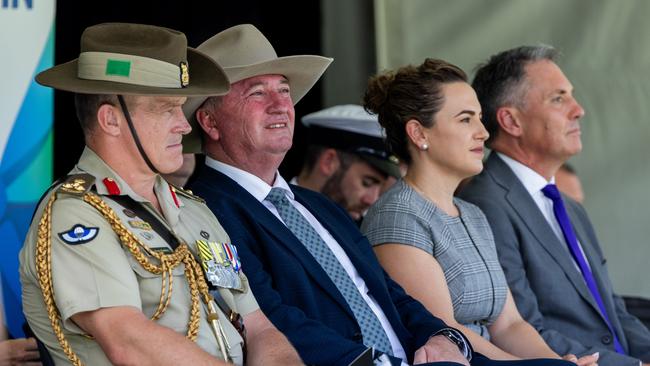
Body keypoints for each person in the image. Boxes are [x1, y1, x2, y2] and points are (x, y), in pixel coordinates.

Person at [184, 23, 575, 366]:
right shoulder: (206, 209)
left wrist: (444, 337)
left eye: (284, 90)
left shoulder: (318, 206)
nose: (280, 106)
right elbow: (268, 316)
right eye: (256, 94)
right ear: (209, 121)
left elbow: (392, 296)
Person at [19, 23, 301, 365]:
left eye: (180, 107)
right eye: (166, 108)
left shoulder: (193, 210)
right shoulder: (75, 213)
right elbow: (129, 342)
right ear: (111, 120)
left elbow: (258, 327)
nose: (183, 124)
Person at [361, 58, 595, 365]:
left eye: (480, 118)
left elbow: (510, 324)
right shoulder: (397, 216)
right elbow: (445, 332)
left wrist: (558, 362)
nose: (483, 133)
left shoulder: (472, 214)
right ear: (419, 134)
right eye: (465, 119)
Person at [458, 45, 650, 366]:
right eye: (558, 98)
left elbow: (612, 309)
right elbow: (522, 326)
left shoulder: (568, 205)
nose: (578, 110)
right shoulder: (484, 203)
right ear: (511, 121)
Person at [294, 104, 402, 223]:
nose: (371, 200)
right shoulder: (277, 216)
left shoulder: (363, 229)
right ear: (328, 161)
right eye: (366, 183)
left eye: (380, 189)